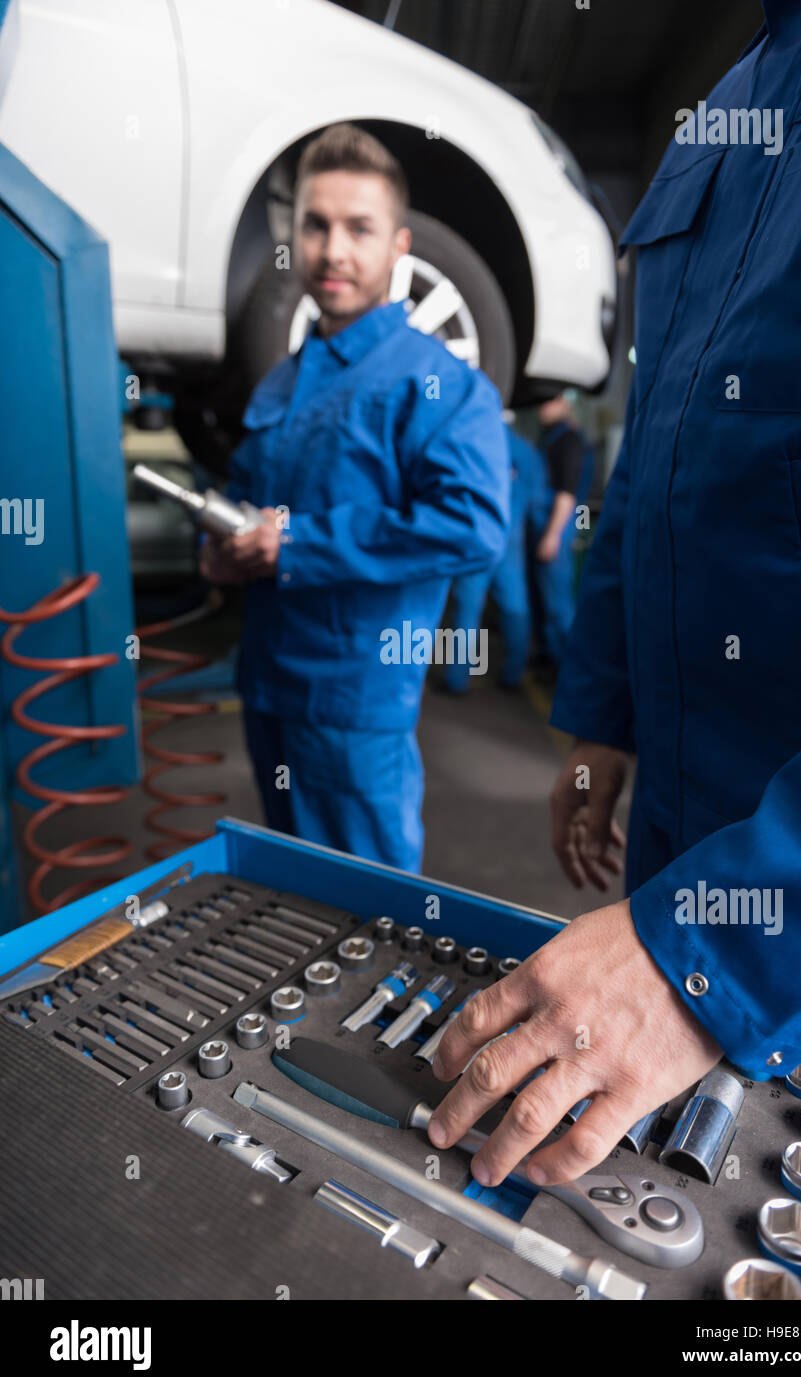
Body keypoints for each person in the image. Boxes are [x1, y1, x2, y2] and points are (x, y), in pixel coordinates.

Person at [427, 0, 801, 1192]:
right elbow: (659, 469)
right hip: (677, 838)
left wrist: (714, 952)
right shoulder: (720, 120)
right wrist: (601, 719)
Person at [200, 123, 509, 873]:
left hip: (353, 710)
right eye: (315, 225)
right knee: (296, 911)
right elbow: (251, 500)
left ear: (398, 246)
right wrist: (223, 551)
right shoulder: (281, 379)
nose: (333, 249)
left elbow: (473, 526)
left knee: (375, 926)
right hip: (268, 690)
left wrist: (295, 542)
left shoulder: (437, 382)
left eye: (358, 228)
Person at [443, 417, 545, 693]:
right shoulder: (526, 452)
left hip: (476, 536)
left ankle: (456, 680)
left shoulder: (473, 441)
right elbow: (537, 504)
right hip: (510, 541)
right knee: (516, 608)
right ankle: (513, 675)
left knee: (467, 608)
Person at [528, 394, 593, 674]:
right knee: (543, 599)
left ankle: (570, 671)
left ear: (566, 403)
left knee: (558, 603)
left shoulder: (569, 441)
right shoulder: (550, 436)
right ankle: (551, 658)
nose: (542, 406)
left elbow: (566, 494)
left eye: (549, 400)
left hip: (556, 526)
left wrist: (552, 535)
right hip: (543, 525)